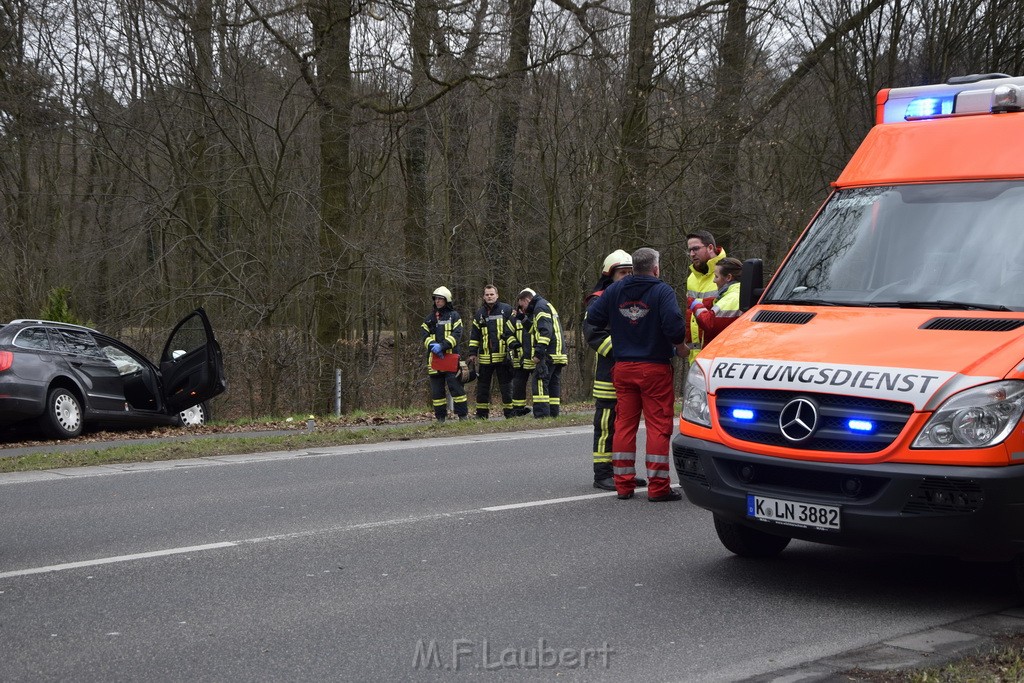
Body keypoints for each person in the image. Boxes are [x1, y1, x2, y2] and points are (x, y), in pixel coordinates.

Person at [585, 247, 688, 502]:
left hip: (623, 368)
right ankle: (658, 487)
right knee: (658, 426)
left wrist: (622, 331)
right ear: (655, 268)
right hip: (654, 367)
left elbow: (594, 319)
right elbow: (674, 325)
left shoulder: (615, 290)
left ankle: (623, 485)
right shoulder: (661, 290)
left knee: (623, 426)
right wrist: (679, 345)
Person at [583, 250, 646, 491]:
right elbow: (593, 334)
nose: (627, 276)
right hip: (609, 376)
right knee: (606, 425)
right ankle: (603, 473)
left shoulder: (636, 298)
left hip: (632, 373)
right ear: (610, 275)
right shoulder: (599, 300)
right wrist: (624, 352)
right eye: (622, 272)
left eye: (631, 272)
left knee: (626, 426)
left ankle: (623, 472)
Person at [516, 288, 567, 418]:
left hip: (549, 353)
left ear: (526, 300)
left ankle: (541, 416)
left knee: (539, 382)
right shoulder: (545, 304)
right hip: (558, 353)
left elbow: (545, 332)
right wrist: (523, 319)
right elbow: (536, 329)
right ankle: (553, 414)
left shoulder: (540, 307)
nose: (524, 310)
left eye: (522, 306)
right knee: (552, 384)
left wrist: (538, 353)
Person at [421, 286, 468, 422]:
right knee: (437, 393)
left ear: (446, 300)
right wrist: (432, 345)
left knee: (457, 389)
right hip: (434, 360)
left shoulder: (454, 316)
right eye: (436, 299)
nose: (438, 301)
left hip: (450, 359)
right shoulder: (429, 319)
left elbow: (457, 335)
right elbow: (425, 336)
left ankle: (463, 416)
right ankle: (440, 418)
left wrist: (442, 346)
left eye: (440, 299)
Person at [467, 285, 515, 419]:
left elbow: (515, 329)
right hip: (485, 358)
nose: (489, 297)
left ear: (497, 295)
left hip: (503, 358)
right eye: (487, 294)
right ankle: (482, 415)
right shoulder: (479, 313)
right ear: (483, 296)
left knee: (506, 388)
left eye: (491, 294)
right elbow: (475, 336)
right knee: (482, 389)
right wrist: (472, 353)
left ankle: (510, 414)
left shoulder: (506, 310)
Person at [685, 230, 727, 365]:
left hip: (718, 357)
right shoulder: (692, 278)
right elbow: (691, 318)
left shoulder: (727, 274)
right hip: (695, 359)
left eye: (696, 249)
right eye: (690, 250)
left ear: (710, 248)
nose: (692, 254)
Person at [690, 257, 743, 348]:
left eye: (716, 276)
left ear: (728, 277)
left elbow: (709, 323)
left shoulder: (732, 297)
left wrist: (696, 305)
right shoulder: (736, 294)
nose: (714, 280)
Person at [506, 292, 535, 417]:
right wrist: (515, 345)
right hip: (520, 358)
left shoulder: (536, 315)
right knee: (518, 385)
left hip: (534, 358)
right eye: (520, 301)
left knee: (538, 384)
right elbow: (507, 333)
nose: (522, 304)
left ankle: (541, 408)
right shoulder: (514, 317)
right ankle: (518, 409)